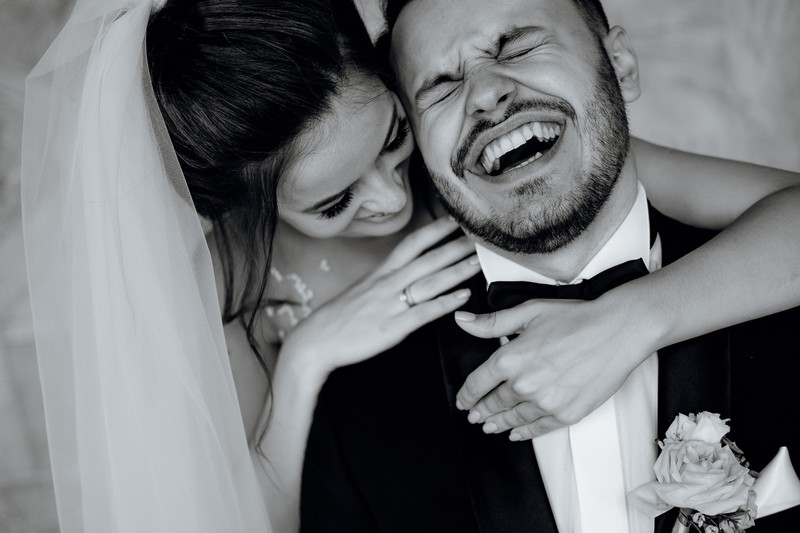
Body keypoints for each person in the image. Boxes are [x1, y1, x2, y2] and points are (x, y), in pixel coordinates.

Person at [22, 0, 800, 532]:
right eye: (335, 202)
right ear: (251, 213)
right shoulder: (225, 298)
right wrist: (306, 361)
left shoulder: (497, 161)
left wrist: (633, 319)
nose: (393, 196)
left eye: (395, 139)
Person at [300, 0, 800, 531]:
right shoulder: (358, 416)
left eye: (518, 47)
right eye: (441, 87)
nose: (485, 95)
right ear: (422, 151)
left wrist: (635, 319)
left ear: (620, 66)